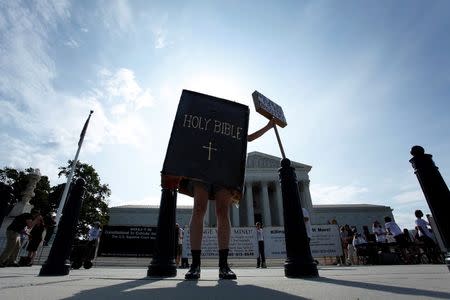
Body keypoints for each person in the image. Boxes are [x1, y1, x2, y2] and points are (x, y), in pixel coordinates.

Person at [183, 119, 275, 280]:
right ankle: (195, 264)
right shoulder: (203, 123)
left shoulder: (228, 127)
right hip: (201, 167)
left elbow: (248, 138)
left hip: (224, 170)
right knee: (199, 209)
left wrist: (268, 126)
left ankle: (223, 265)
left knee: (222, 212)